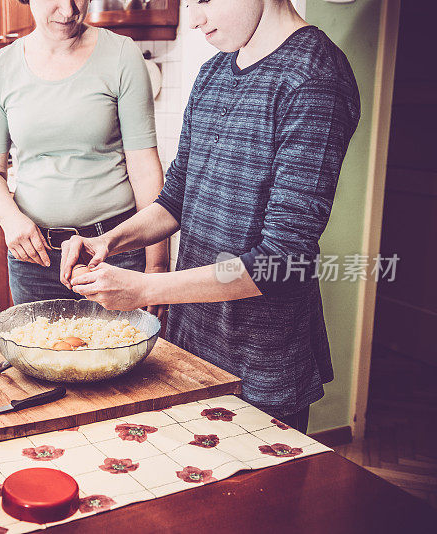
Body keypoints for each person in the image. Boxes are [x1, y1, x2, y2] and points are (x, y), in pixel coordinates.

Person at [59, 0, 361, 433]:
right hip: (191, 344)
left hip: (262, 361)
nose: (195, 18)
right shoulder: (215, 71)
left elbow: (280, 260)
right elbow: (177, 198)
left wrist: (144, 287)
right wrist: (108, 241)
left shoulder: (315, 78)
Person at [0, 0, 169, 317]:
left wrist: (156, 265)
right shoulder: (0, 68)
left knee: (117, 358)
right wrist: (11, 219)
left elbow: (145, 169)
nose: (68, 10)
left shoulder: (121, 54)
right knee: (41, 358)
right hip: (35, 256)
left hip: (113, 250)